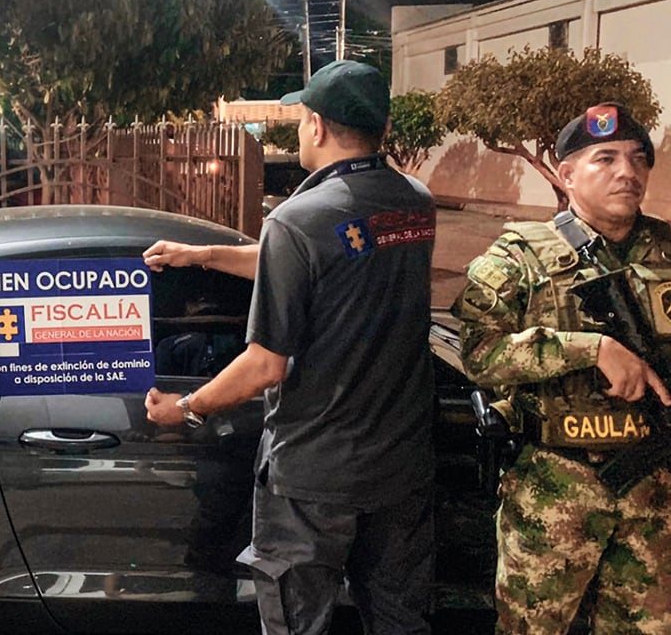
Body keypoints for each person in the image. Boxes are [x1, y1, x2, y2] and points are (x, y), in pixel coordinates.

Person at [145, 60, 437, 634]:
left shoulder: (296, 219)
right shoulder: (415, 204)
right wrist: (202, 255)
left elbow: (264, 366)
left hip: (314, 480)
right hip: (400, 470)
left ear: (317, 126)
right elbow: (329, 259)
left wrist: (186, 408)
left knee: (297, 625)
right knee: (400, 622)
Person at [452, 103, 671, 635]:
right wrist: (588, 348)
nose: (628, 172)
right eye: (607, 158)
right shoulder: (520, 257)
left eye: (638, 159)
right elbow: (479, 353)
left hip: (657, 491)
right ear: (567, 175)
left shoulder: (668, 251)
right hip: (554, 491)